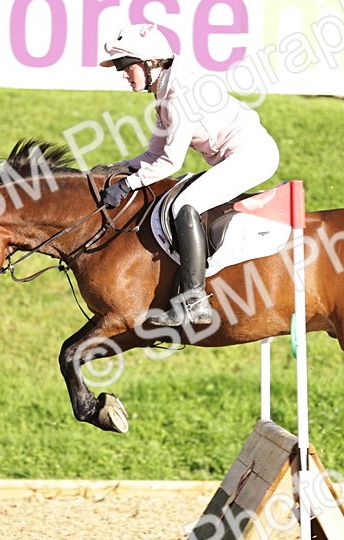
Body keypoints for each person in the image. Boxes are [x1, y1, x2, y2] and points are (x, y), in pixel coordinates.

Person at [99, 23, 280, 327]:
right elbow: (153, 155)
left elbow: (170, 162)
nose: (124, 75)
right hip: (238, 155)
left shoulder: (178, 96)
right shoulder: (164, 93)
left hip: (253, 156)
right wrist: (117, 169)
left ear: (150, 62)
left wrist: (128, 184)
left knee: (185, 205)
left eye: (126, 66)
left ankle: (194, 301)